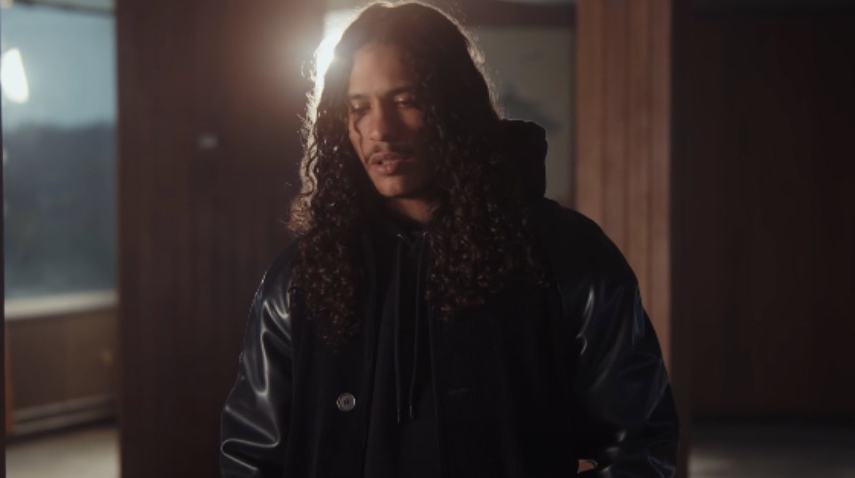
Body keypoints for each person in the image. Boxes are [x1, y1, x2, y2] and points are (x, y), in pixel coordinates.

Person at [220, 2, 679, 477]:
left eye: (405, 100)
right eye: (359, 108)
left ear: (453, 107)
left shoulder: (562, 255)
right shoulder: (304, 275)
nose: (379, 129)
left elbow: (639, 443)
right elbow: (251, 455)